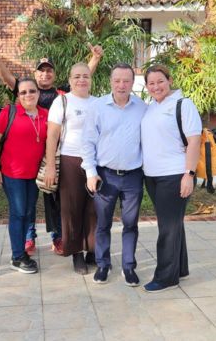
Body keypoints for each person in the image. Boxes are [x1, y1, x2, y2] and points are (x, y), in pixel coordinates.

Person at [0, 41, 103, 256]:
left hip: (55, 157)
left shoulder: (61, 94)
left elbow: (81, 80)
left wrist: (94, 59)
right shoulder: (26, 91)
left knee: (54, 199)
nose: (45, 75)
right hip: (25, 161)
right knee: (26, 206)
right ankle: (29, 237)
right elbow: (6, 78)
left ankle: (57, 236)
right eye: (41, 71)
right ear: (35, 74)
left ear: (54, 75)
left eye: (49, 71)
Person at [81, 63, 147, 286]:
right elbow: (87, 142)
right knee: (103, 223)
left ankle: (129, 267)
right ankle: (103, 264)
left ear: (132, 82)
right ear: (110, 81)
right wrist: (90, 172)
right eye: (117, 80)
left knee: (130, 223)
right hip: (105, 176)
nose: (121, 85)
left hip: (133, 176)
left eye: (126, 81)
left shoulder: (142, 108)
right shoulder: (98, 107)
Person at [140, 65, 202, 293]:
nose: (156, 86)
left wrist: (189, 174)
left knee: (168, 227)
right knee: (174, 224)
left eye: (160, 81)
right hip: (153, 177)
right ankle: (181, 268)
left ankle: (166, 277)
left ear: (169, 80)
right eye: (151, 83)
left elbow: (194, 141)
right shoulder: (150, 108)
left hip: (175, 175)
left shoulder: (183, 104)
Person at [44, 63, 97, 274]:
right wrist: (50, 166)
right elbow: (52, 136)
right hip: (70, 160)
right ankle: (76, 254)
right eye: (77, 76)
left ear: (90, 79)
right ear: (70, 79)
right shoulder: (62, 101)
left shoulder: (98, 103)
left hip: (94, 162)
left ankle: (93, 250)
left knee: (94, 209)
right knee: (71, 208)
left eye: (85, 76)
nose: (81, 80)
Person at [0, 78, 48, 274]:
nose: (28, 95)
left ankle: (21, 250)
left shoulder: (45, 115)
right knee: (19, 212)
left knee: (29, 212)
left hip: (35, 175)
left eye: (32, 91)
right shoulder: (10, 112)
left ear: (38, 93)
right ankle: (17, 256)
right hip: (12, 173)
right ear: (18, 95)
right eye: (23, 92)